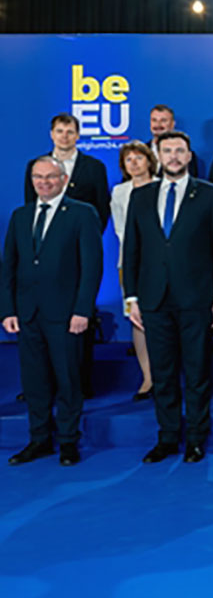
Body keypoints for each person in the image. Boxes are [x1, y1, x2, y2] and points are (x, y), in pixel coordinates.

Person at [123, 131, 213, 463]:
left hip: (196, 298)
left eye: (179, 151)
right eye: (167, 150)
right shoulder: (141, 196)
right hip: (153, 300)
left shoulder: (211, 195)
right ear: (158, 155)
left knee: (198, 371)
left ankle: (197, 438)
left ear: (188, 157)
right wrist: (131, 297)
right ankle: (168, 436)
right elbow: (132, 250)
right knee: (163, 371)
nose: (173, 156)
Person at [2, 156, 103, 467]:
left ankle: (69, 441)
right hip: (27, 313)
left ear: (62, 179)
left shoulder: (83, 213)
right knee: (34, 382)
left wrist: (82, 310)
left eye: (49, 177)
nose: (43, 182)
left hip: (66, 315)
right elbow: (9, 267)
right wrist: (8, 310)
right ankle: (39, 439)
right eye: (37, 177)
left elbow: (92, 268)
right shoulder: (20, 216)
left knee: (68, 379)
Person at [23, 112, 111, 398]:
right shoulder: (35, 167)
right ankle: (42, 385)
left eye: (70, 131)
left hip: (79, 251)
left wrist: (87, 242)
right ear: (52, 134)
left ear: (78, 134)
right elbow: (31, 211)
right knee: (41, 318)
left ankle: (80, 383)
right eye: (59, 131)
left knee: (79, 314)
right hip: (44, 254)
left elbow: (102, 208)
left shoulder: (94, 167)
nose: (64, 136)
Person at [109, 140, 158, 401]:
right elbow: (121, 229)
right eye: (129, 160)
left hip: (163, 262)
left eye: (139, 158)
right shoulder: (119, 192)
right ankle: (147, 377)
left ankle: (165, 375)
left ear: (149, 160)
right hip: (128, 262)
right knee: (137, 320)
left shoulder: (165, 187)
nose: (135, 163)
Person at [147, 104, 199, 176]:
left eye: (163, 120)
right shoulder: (139, 151)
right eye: (154, 120)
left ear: (172, 124)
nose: (158, 124)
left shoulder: (185, 154)